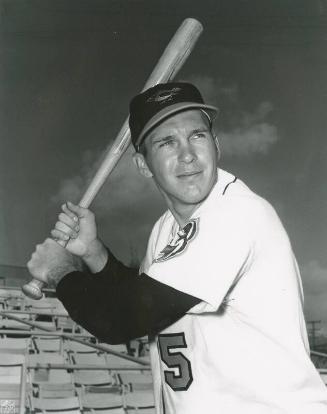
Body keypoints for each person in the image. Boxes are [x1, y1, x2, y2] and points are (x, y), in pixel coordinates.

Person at [27, 82, 327, 413]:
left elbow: (118, 320)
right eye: (167, 142)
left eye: (197, 136)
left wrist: (59, 270)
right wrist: (94, 252)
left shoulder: (236, 214)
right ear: (143, 165)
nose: (187, 154)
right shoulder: (165, 229)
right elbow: (142, 295)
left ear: (216, 145)